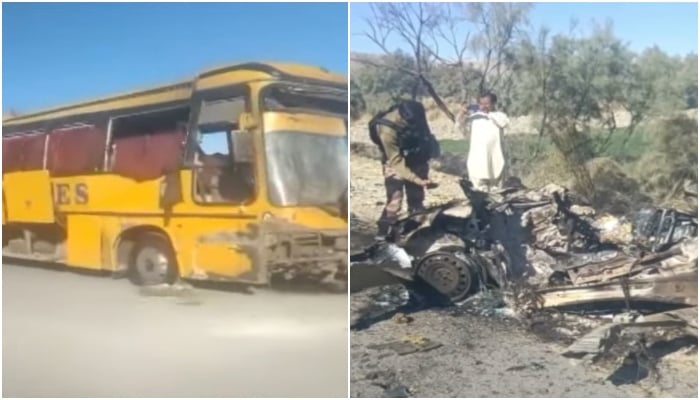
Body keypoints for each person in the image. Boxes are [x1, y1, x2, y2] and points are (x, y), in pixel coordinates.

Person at [369, 100, 440, 238]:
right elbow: (396, 162)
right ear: (402, 116)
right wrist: (417, 180)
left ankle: (413, 232)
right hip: (394, 161)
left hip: (415, 158)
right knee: (395, 202)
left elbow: (426, 138)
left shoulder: (417, 116)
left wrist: (424, 175)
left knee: (416, 200)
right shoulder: (386, 129)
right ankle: (383, 235)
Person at [455, 92, 510, 192]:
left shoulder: (500, 116)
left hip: (495, 157)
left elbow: (503, 123)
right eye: (481, 104)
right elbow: (460, 124)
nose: (483, 106)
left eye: (486, 103)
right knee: (479, 188)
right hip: (477, 158)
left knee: (496, 189)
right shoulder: (474, 118)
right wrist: (463, 112)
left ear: (493, 103)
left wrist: (488, 114)